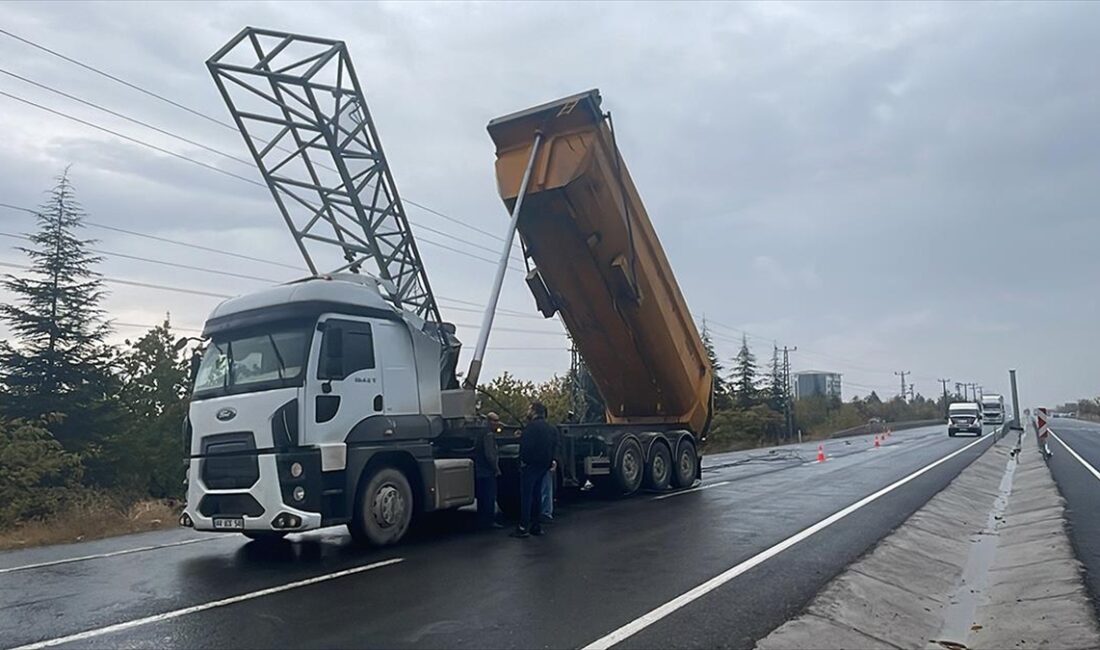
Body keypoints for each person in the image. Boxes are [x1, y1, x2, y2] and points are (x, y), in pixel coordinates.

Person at [512, 401, 557, 538]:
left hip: (530, 466)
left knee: (526, 497)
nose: (528, 411)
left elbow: (527, 448)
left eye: (529, 409)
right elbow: (554, 446)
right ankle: (536, 526)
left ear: (534, 411)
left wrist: (523, 461)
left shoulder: (530, 428)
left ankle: (523, 527)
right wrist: (550, 462)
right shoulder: (550, 428)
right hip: (543, 466)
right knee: (537, 495)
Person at [474, 412, 503, 530]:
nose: (497, 423)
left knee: (482, 497)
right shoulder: (488, 434)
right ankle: (489, 521)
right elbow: (490, 454)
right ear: (489, 421)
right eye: (495, 421)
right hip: (487, 471)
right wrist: (496, 468)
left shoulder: (480, 433)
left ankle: (481, 520)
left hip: (480, 470)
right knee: (489, 497)